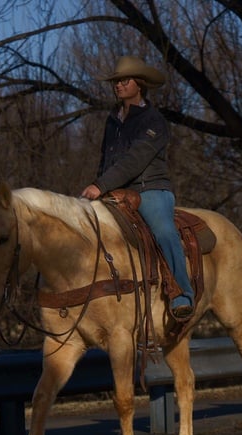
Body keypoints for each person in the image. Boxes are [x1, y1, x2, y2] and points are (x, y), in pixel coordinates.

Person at [80, 56, 194, 319]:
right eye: (116, 81)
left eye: (124, 80)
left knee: (164, 231)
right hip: (112, 191)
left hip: (149, 189)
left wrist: (99, 185)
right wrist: (99, 186)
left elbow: (135, 160)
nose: (118, 85)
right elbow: (106, 159)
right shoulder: (113, 120)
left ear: (139, 85)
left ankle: (182, 294)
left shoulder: (154, 121)